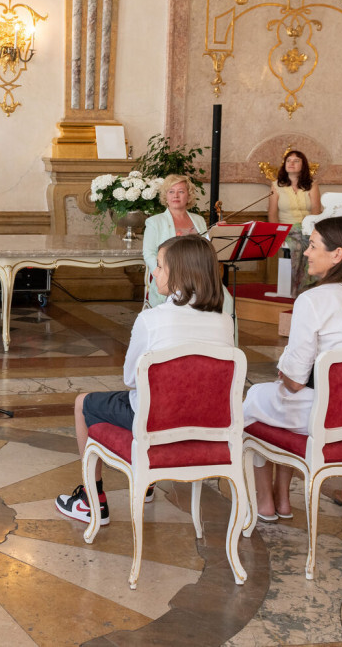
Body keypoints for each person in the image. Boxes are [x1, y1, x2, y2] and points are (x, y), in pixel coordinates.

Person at [54, 236, 235, 524]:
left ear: (179, 273)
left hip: (155, 421)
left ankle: (91, 501)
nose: (155, 273)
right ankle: (148, 483)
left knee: (83, 403)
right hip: (206, 422)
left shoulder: (151, 320)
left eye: (160, 266)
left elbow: (130, 379)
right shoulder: (224, 320)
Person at [242, 217, 342, 520]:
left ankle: (267, 500)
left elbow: (293, 381)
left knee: (256, 398)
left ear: (337, 255)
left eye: (313, 246)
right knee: (277, 400)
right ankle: (279, 498)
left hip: (328, 417)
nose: (306, 252)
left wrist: (288, 370)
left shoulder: (314, 300)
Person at [142, 174, 206, 307]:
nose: (175, 196)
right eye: (171, 192)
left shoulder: (199, 220)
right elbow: (149, 254)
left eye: (181, 191)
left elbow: (205, 249)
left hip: (198, 278)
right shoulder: (154, 222)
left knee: (225, 299)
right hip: (169, 279)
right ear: (166, 196)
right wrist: (163, 275)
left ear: (189, 195)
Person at [267, 149, 322, 294]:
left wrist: (312, 232)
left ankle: (311, 287)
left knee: (317, 245)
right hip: (286, 229)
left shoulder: (312, 185)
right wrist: (276, 234)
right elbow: (272, 214)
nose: (291, 163)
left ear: (303, 165)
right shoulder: (276, 185)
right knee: (297, 245)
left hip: (308, 228)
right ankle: (298, 288)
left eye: (296, 161)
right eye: (288, 161)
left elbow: (316, 211)